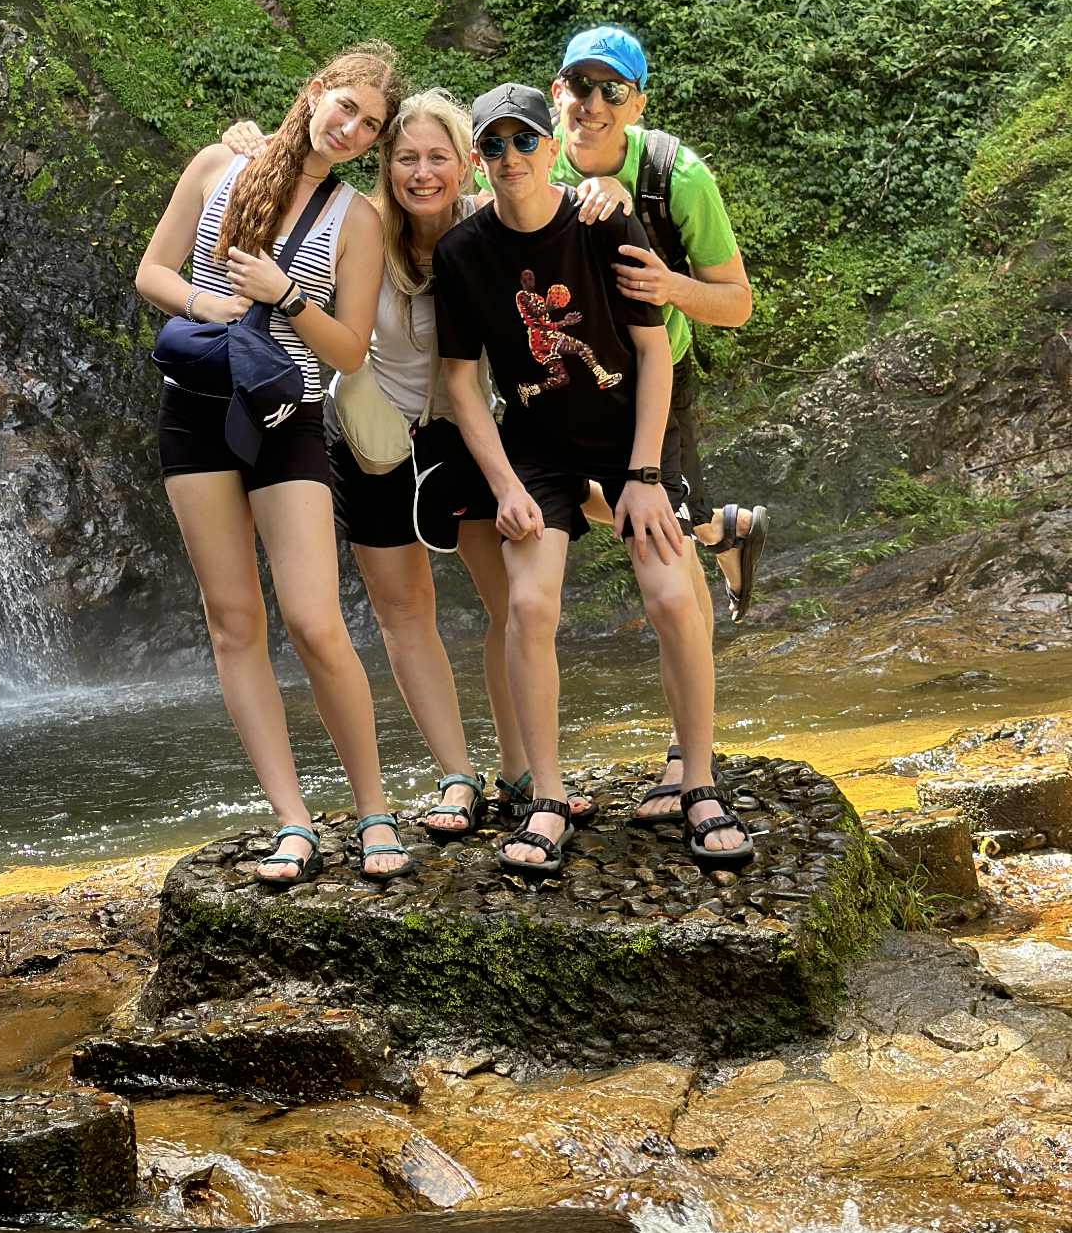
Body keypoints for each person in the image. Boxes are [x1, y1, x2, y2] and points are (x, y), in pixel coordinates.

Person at [221, 92, 594, 840]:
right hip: (371, 438)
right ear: (386, 166)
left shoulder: (490, 225)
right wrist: (254, 145)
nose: (422, 174)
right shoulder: (359, 227)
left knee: (507, 606)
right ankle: (457, 775)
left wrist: (600, 186)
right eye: (405, 158)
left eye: (437, 158)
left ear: (466, 164)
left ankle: (519, 770)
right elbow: (294, 178)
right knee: (404, 612)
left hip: (471, 434)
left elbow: (559, 196)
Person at [435, 81, 754, 876]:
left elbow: (653, 351)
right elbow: (460, 383)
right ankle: (546, 799)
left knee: (670, 593)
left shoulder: (604, 221)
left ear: (551, 147)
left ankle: (700, 783)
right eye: (494, 144)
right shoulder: (462, 252)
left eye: (524, 140)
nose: (511, 156)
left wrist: (643, 474)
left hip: (630, 437)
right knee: (529, 604)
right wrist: (505, 485)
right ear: (478, 159)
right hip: (536, 450)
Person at [136, 44, 414, 886]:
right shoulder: (219, 165)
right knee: (233, 621)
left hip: (287, 414)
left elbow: (350, 350)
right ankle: (292, 819)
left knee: (314, 619)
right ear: (316, 91)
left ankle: (373, 812)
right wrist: (211, 303)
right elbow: (153, 272)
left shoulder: (356, 220)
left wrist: (284, 295)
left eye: (370, 126)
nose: (352, 129)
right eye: (346, 107)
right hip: (194, 410)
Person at [546, 26, 766, 824]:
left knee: (660, 560)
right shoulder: (527, 152)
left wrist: (671, 286)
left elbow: (737, 303)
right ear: (557, 91)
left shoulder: (679, 176)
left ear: (637, 103)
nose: (593, 104)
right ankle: (719, 528)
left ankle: (688, 757)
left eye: (613, 90)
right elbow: (429, 175)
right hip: (556, 387)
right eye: (580, 86)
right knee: (625, 517)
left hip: (652, 384)